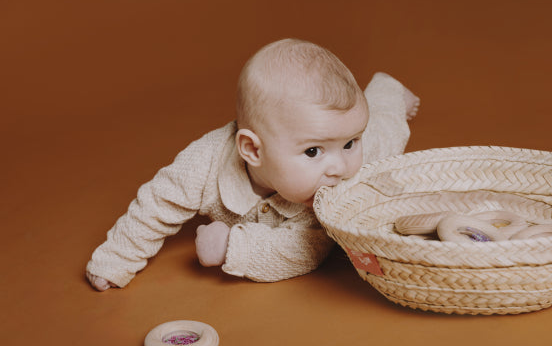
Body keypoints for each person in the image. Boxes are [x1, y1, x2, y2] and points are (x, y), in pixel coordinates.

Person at [86, 38, 419, 291]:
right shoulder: (203, 164)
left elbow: (307, 249)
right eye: (313, 152)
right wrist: (114, 260)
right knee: (356, 133)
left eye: (349, 145)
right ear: (252, 150)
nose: (339, 168)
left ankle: (388, 92)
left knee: (382, 130)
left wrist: (234, 246)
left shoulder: (337, 179)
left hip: (370, 134)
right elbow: (155, 204)